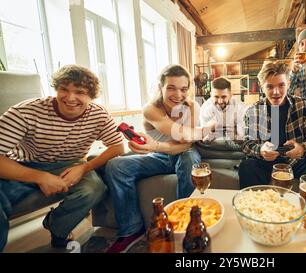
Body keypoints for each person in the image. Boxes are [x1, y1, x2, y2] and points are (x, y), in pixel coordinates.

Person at [0, 65, 124, 252]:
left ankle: (57, 229)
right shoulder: (26, 112)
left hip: (69, 164)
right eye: (64, 89)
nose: (70, 97)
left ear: (91, 96)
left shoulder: (98, 114)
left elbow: (117, 146)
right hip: (21, 165)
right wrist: (40, 177)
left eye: (80, 92)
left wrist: (83, 168)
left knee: (94, 188)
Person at [104, 64, 214, 253]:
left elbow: (187, 143)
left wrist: (159, 144)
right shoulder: (151, 109)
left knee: (188, 158)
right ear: (160, 87)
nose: (178, 94)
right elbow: (181, 134)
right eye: (171, 88)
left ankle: (186, 222)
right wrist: (206, 128)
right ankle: (131, 229)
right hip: (159, 157)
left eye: (183, 89)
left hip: (184, 154)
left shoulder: (193, 106)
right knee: (116, 166)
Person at [238, 61, 306, 189]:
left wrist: (302, 149)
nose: (276, 92)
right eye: (269, 87)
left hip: (297, 162)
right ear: (262, 87)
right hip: (265, 162)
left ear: (289, 84)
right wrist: (261, 150)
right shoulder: (253, 111)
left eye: (281, 85)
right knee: (246, 167)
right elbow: (247, 145)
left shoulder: (304, 106)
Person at [199, 77, 248, 148]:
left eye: (224, 97)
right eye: (216, 97)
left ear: (231, 95)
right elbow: (205, 137)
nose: (220, 101)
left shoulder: (240, 107)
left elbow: (242, 137)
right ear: (211, 95)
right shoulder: (205, 108)